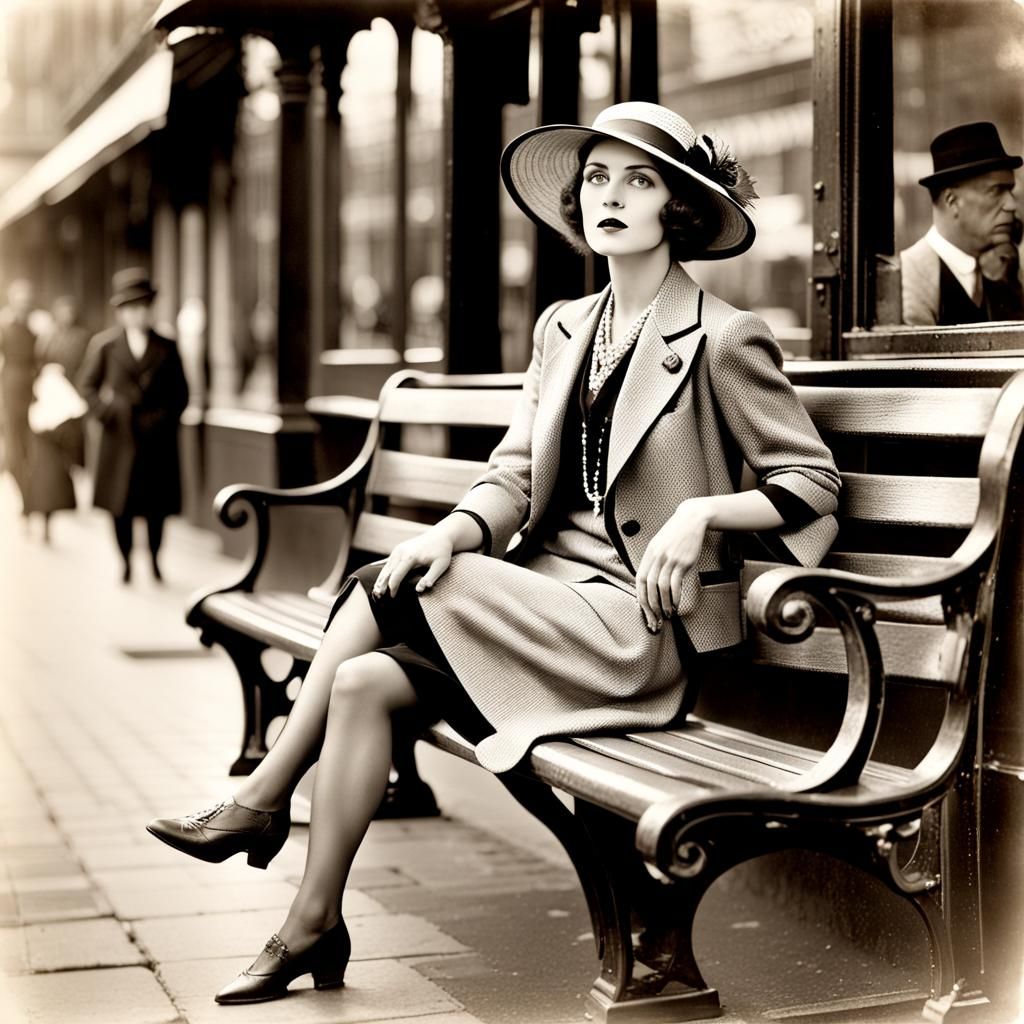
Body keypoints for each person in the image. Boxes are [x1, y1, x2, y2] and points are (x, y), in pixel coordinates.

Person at [146, 102, 841, 1005]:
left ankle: (262, 795)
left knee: (383, 581)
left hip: (633, 633)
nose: (612, 196)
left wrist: (704, 513)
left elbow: (813, 484)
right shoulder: (562, 327)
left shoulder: (724, 337)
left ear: (676, 208)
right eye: (597, 178)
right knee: (362, 680)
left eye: (640, 180)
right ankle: (312, 924)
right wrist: (450, 529)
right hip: (539, 606)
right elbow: (511, 476)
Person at [77, 269, 189, 583]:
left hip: (157, 440)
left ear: (151, 309)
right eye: (130, 309)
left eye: (143, 307)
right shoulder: (105, 346)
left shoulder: (167, 347)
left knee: (157, 508)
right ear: (121, 313)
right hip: (119, 440)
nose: (137, 314)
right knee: (119, 506)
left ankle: (154, 559)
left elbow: (181, 394)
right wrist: (108, 412)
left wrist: (162, 419)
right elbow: (86, 387)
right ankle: (124, 561)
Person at [900, 121, 1022, 325]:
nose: (1011, 204)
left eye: (1010, 190)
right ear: (952, 200)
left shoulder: (1001, 272)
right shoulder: (909, 280)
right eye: (996, 191)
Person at [24, 296, 93, 541]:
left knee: (75, 457)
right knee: (46, 464)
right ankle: (42, 512)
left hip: (72, 403)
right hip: (50, 402)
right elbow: (38, 363)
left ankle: (73, 500)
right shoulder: (48, 337)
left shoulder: (82, 337)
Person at [0, 279, 38, 516]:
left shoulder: (36, 327)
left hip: (33, 388)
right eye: (19, 300)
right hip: (12, 387)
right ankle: (24, 492)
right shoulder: (4, 326)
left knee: (32, 444)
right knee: (15, 444)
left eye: (27, 300)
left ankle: (34, 494)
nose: (23, 305)